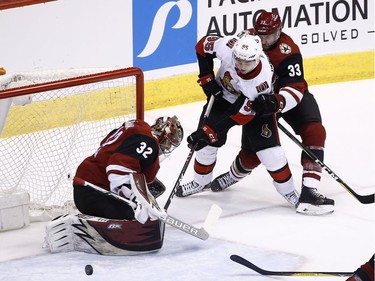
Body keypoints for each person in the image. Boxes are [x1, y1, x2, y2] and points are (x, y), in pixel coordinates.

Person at [207, 11, 334, 215]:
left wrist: (278, 101)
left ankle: (310, 189)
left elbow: (295, 86)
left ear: (279, 32)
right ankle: (233, 175)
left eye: (269, 36)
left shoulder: (288, 51)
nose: (265, 41)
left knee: (315, 131)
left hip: (287, 97)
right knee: (254, 154)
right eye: (261, 35)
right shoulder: (245, 42)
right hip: (257, 101)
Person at [176, 34, 301, 208]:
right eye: (238, 60)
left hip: (255, 108)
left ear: (257, 58)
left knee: (271, 154)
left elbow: (238, 115)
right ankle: (200, 182)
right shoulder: (228, 47)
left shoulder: (259, 82)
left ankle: (289, 192)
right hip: (223, 98)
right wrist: (207, 79)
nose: (241, 66)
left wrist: (207, 133)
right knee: (205, 148)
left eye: (247, 62)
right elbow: (202, 46)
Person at [44, 116, 184, 255]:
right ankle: (72, 225)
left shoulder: (136, 126)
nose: (167, 147)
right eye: (168, 142)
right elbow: (117, 168)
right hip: (94, 192)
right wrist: (134, 198)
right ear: (163, 135)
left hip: (87, 186)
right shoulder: (149, 142)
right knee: (144, 221)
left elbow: (108, 147)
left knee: (144, 214)